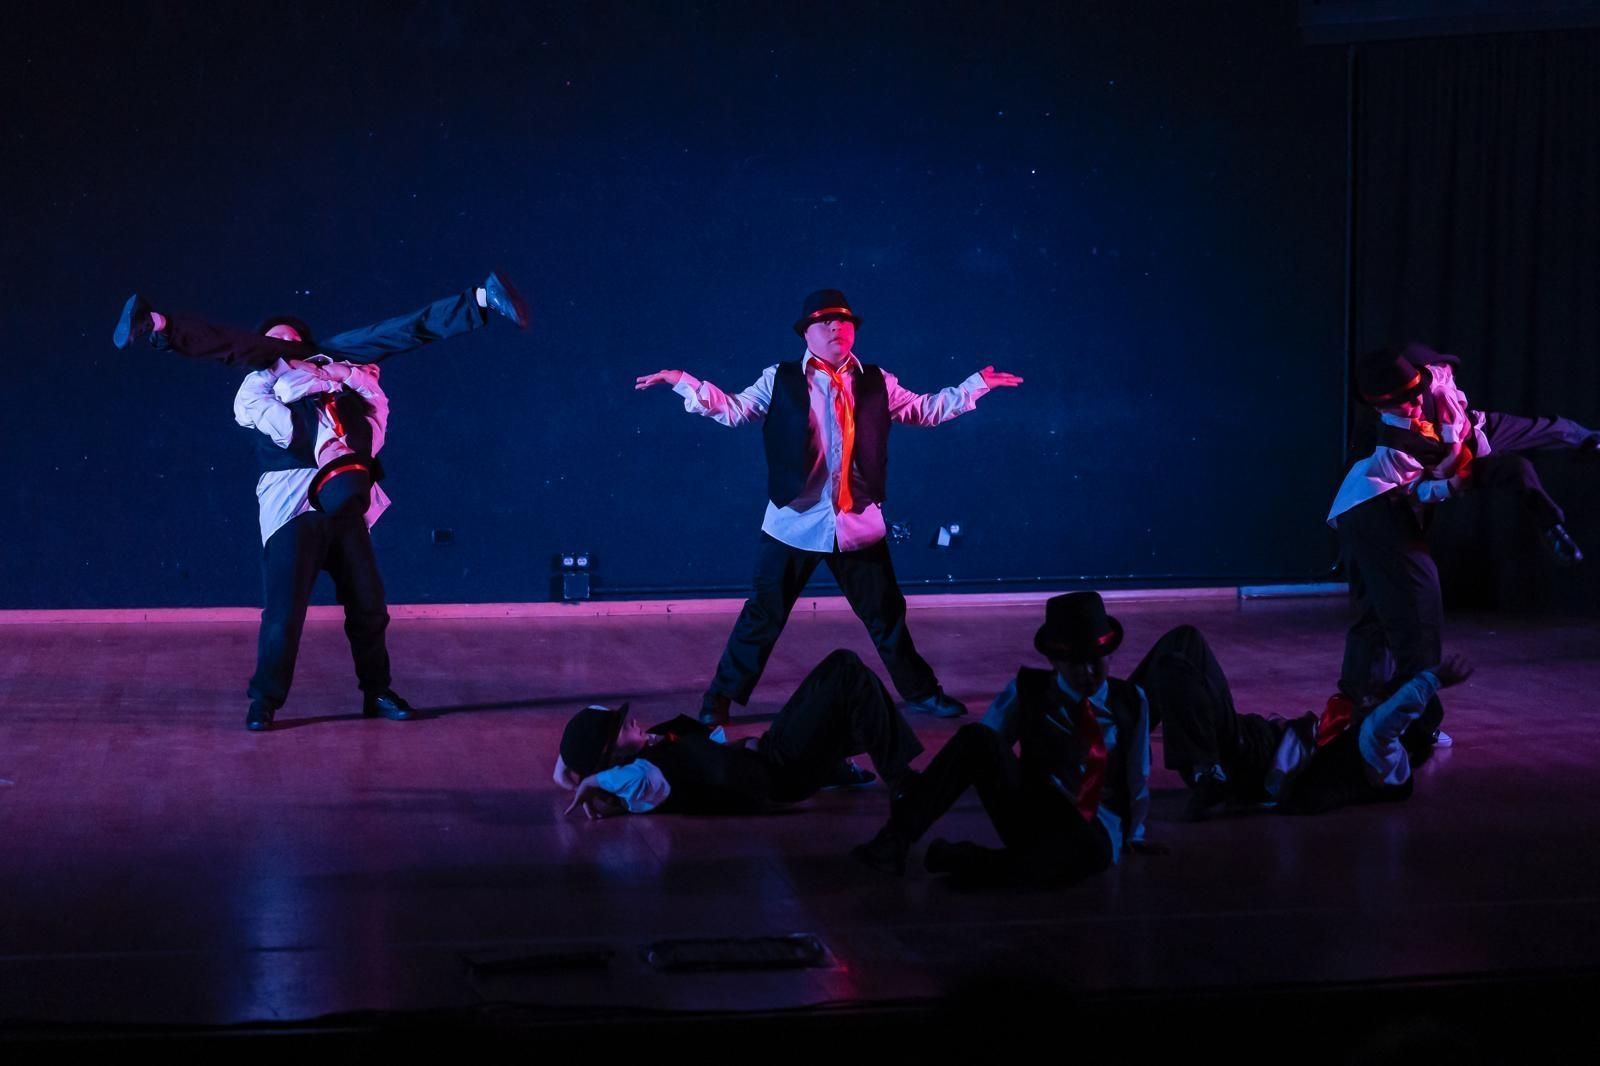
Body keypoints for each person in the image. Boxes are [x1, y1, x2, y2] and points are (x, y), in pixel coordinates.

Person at [635, 288, 1022, 726]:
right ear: (807, 334)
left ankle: (922, 693)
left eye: (843, 321)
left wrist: (976, 386)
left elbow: (925, 410)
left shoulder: (877, 381)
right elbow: (735, 409)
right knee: (763, 616)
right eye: (824, 322)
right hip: (793, 523)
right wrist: (682, 381)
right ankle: (719, 699)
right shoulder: (779, 379)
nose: (836, 327)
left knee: (886, 616)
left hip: (858, 525)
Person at [1329, 342, 1597, 723]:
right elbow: (1417, 491)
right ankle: (1400, 714)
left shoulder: (1434, 383)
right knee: (1405, 604)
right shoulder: (1392, 448)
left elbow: (1443, 386)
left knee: (1527, 452)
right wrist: (1453, 484)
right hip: (1377, 505)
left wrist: (1459, 448)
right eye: (1401, 403)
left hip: (1468, 436)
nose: (1413, 404)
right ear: (1380, 408)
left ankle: (1576, 467)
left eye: (1414, 394)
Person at [852, 592, 1155, 886]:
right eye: (1076, 662)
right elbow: (986, 744)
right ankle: (896, 839)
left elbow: (1136, 773)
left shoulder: (1130, 701)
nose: (1088, 671)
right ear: (1055, 661)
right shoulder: (1029, 691)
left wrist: (1135, 834)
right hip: (1036, 811)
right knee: (975, 737)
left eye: (1096, 660)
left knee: (1082, 856)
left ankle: (969, 860)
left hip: (1095, 829)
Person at [1130, 624, 1473, 818]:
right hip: (1248, 737)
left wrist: (1432, 680)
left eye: (1381, 698)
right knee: (1184, 639)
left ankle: (1206, 772)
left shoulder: (1386, 758)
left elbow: (1390, 718)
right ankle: (1118, 728)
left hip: (1248, 759)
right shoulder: (1366, 742)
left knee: (1173, 668)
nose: (1370, 698)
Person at [556, 649, 923, 817]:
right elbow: (627, 777)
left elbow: (596, 726)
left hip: (771, 754)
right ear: (610, 757)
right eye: (621, 729)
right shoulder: (646, 778)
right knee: (845, 670)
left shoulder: (646, 748)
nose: (631, 722)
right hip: (779, 772)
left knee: (853, 683)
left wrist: (566, 772)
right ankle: (901, 781)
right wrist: (590, 781)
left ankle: (839, 767)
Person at [110, 271, 529, 366]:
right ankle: (157, 323)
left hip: (325, 359)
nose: (286, 338)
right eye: (279, 335)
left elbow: (401, 332)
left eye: (290, 335)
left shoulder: (323, 352)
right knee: (238, 348)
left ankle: (482, 297)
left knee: (394, 331)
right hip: (286, 380)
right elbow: (228, 345)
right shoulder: (265, 360)